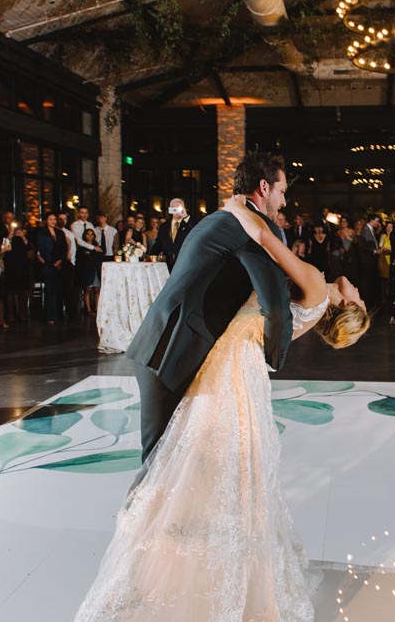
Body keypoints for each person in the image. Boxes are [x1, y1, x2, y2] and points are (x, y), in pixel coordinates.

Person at [51, 191, 369, 622]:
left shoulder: (315, 281)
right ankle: (191, 553)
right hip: (237, 362)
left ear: (344, 305)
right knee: (226, 467)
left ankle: (166, 542)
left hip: (234, 361)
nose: (355, 285)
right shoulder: (313, 295)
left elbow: (267, 245)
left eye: (356, 295)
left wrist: (241, 212)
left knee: (202, 457)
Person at [127, 152, 294, 467]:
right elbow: (274, 305)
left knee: (168, 460)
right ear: (263, 186)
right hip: (172, 354)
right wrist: (273, 358)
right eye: (282, 191)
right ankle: (136, 517)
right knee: (161, 465)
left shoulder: (219, 218)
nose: (283, 202)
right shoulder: (254, 228)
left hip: (158, 343)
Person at [35, 212, 67, 325]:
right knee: (49, 291)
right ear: (46, 221)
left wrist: (60, 260)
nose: (53, 221)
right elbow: (40, 248)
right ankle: (49, 316)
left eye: (54, 219)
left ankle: (58, 315)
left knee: (58, 290)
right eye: (50, 219)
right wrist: (46, 261)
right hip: (47, 264)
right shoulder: (41, 233)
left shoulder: (60, 233)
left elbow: (64, 248)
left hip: (59, 264)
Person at [151, 200, 192, 269]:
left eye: (178, 208)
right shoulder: (164, 226)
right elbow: (158, 244)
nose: (175, 210)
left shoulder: (188, 225)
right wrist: (151, 257)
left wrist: (185, 216)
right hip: (167, 266)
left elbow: (197, 230)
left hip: (184, 265)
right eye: (173, 208)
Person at [77, 227, 102, 316]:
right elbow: (81, 260)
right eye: (88, 234)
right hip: (86, 271)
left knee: (97, 289)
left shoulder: (97, 246)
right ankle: (88, 309)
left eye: (92, 234)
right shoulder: (82, 247)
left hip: (96, 270)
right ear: (85, 236)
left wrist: (91, 255)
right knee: (88, 289)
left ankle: (97, 308)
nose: (90, 236)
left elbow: (100, 257)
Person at [358, 213, 381, 307]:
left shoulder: (370, 229)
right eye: (377, 221)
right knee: (367, 281)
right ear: (372, 220)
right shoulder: (366, 229)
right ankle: (366, 301)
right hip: (367, 260)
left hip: (370, 259)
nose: (378, 223)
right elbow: (364, 245)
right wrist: (375, 251)